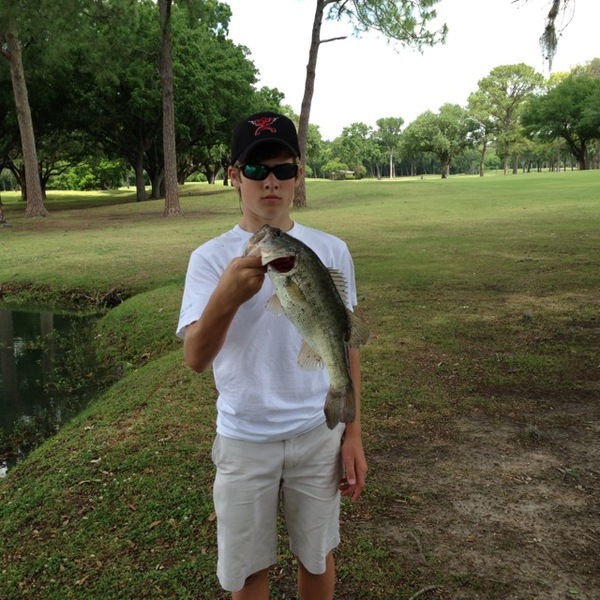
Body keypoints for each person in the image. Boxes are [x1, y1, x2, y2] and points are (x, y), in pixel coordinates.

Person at [177, 111, 367, 600]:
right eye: (256, 169)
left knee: (317, 555)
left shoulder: (331, 250)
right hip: (244, 439)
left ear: (298, 176)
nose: (271, 182)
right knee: (247, 572)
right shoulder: (209, 259)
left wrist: (352, 433)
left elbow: (343, 340)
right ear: (234, 176)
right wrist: (226, 296)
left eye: (283, 169)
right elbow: (196, 358)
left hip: (317, 432)